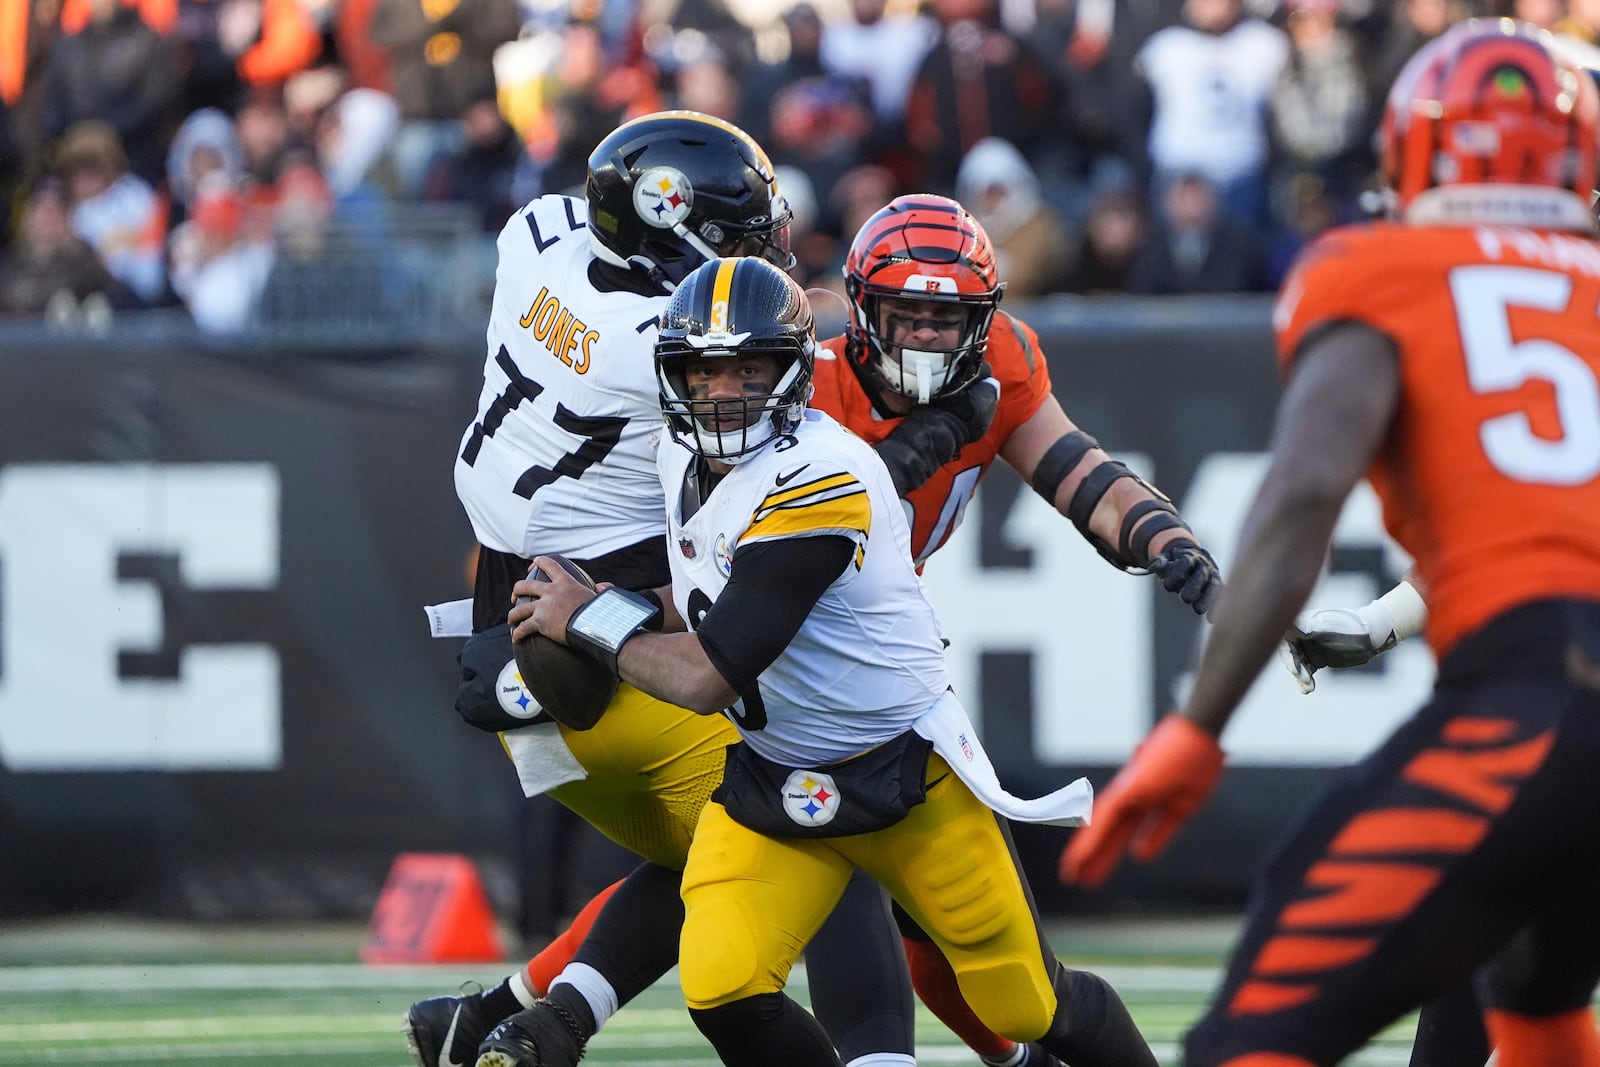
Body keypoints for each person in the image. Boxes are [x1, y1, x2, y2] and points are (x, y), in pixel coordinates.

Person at [411, 192, 1225, 1067]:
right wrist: (514, 613)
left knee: (1015, 993)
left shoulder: (819, 460)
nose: (725, 397)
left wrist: (1170, 543)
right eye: (703, 377)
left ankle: (535, 1009)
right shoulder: (680, 439)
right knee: (724, 978)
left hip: (876, 731)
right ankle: (535, 1008)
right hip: (772, 740)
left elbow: (717, 653)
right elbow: (601, 524)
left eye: (943, 320)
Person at [1060, 19, 1600, 1067]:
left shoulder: (1381, 263)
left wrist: (1196, 725)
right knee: (1529, 999)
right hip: (1558, 706)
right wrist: (1397, 613)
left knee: (1250, 1038)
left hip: (1535, 705)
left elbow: (1303, 491)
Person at [412, 109, 938, 1067]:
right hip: (598, 634)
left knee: (713, 848)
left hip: (508, 618)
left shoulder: (532, 237)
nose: (764, 251)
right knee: (821, 813)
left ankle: (521, 1020)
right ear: (672, 231)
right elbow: (804, 449)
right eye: (740, 237)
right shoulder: (661, 346)